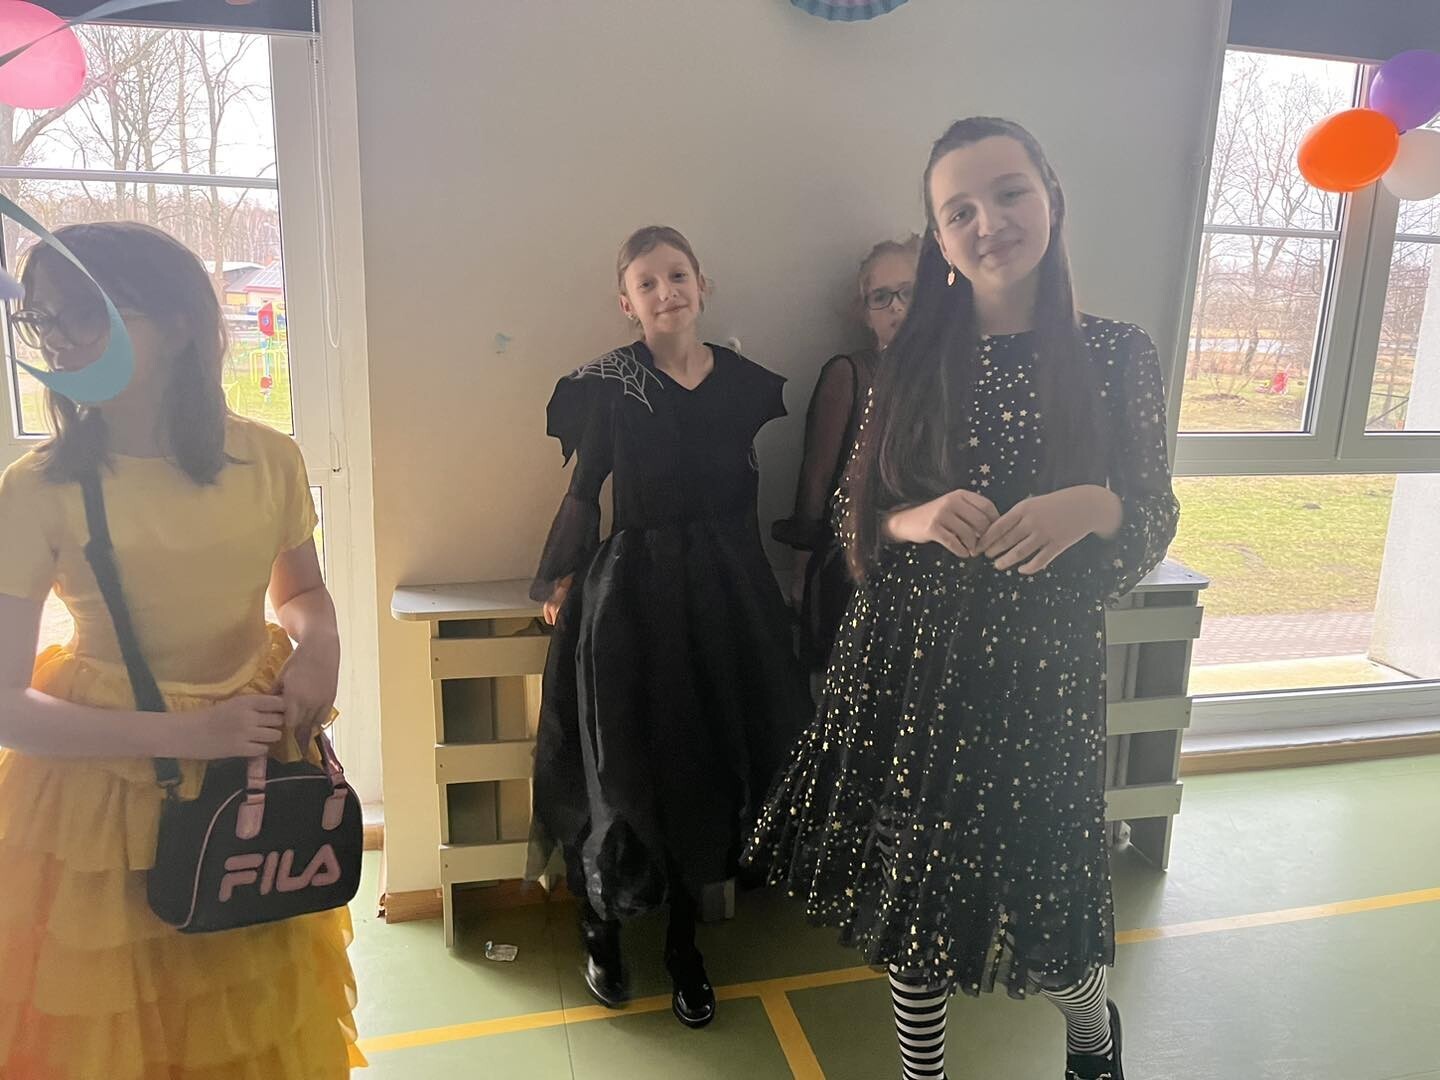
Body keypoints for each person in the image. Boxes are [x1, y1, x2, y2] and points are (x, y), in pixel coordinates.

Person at [745, 118, 1180, 1080]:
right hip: (910, 663)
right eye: (960, 211)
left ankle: (1091, 1034)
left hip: (1039, 674)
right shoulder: (912, 358)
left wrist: (1093, 504)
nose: (990, 223)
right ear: (940, 240)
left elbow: (1154, 513)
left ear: (1051, 198)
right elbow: (854, 516)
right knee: (913, 909)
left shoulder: (1116, 354)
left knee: (1048, 916)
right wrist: (918, 516)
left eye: (1009, 193)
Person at [0, 222, 363, 1077]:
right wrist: (187, 734)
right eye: (42, 317)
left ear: (177, 325)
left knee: (246, 1018)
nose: (57, 338)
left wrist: (321, 644)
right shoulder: (36, 488)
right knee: (113, 1031)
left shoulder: (269, 458)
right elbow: (6, 707)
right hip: (99, 802)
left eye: (84, 311)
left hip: (254, 769)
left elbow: (301, 594)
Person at [528, 225, 810, 1029]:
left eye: (677, 276)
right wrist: (558, 575)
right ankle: (601, 926)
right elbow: (586, 489)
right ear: (627, 303)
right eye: (646, 283)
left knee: (706, 766)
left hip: (726, 595)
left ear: (702, 284)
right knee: (621, 764)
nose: (665, 293)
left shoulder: (746, 385)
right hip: (633, 597)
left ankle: (686, 945)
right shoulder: (609, 385)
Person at [773, 234, 919, 672]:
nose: (896, 307)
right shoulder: (850, 375)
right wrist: (801, 571)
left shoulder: (958, 378)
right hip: (856, 564)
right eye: (881, 297)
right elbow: (816, 479)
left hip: (927, 574)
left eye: (908, 292)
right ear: (864, 312)